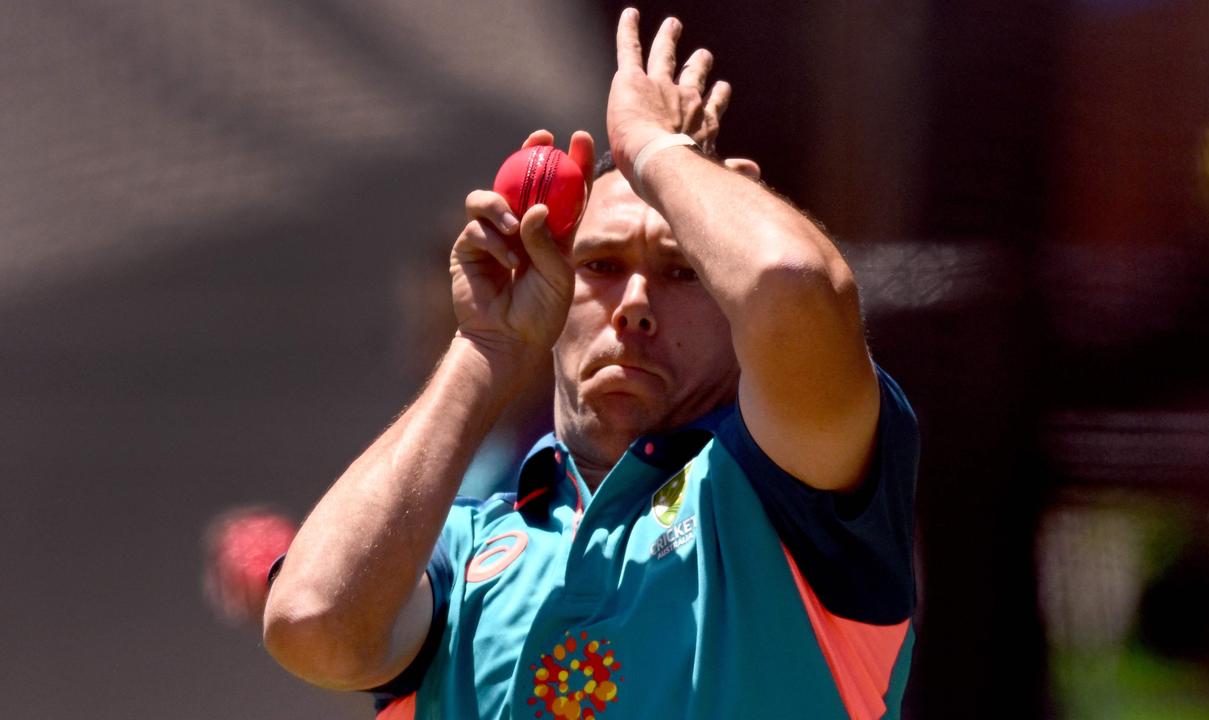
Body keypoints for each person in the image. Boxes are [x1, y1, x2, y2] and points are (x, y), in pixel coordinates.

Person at [263, 9, 918, 719]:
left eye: (681, 271)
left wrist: (655, 147)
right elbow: (310, 621)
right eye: (602, 264)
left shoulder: (790, 500)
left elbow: (791, 283)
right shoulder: (465, 546)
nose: (635, 301)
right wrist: (486, 348)